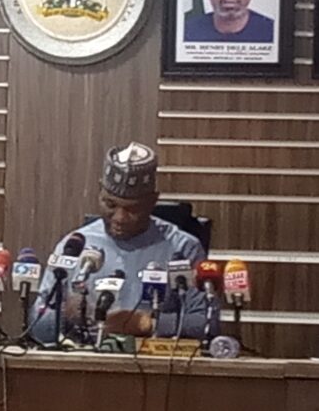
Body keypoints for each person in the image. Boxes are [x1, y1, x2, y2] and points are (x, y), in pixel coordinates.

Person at [32, 142, 218, 343]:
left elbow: (208, 323)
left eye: (132, 209)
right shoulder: (75, 245)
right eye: (110, 204)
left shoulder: (182, 248)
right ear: (100, 192)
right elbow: (37, 324)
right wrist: (63, 314)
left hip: (155, 366)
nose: (119, 217)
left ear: (152, 201)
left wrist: (147, 323)